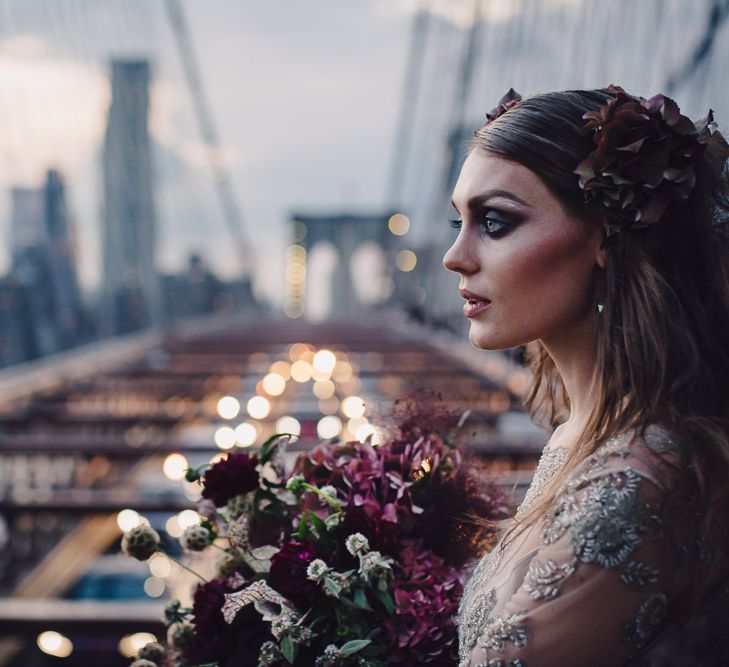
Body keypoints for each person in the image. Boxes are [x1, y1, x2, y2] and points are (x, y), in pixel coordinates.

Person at [443, 86, 729, 666]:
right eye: (458, 220)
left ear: (604, 236)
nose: (454, 255)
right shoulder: (581, 431)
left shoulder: (642, 475)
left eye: (494, 222)